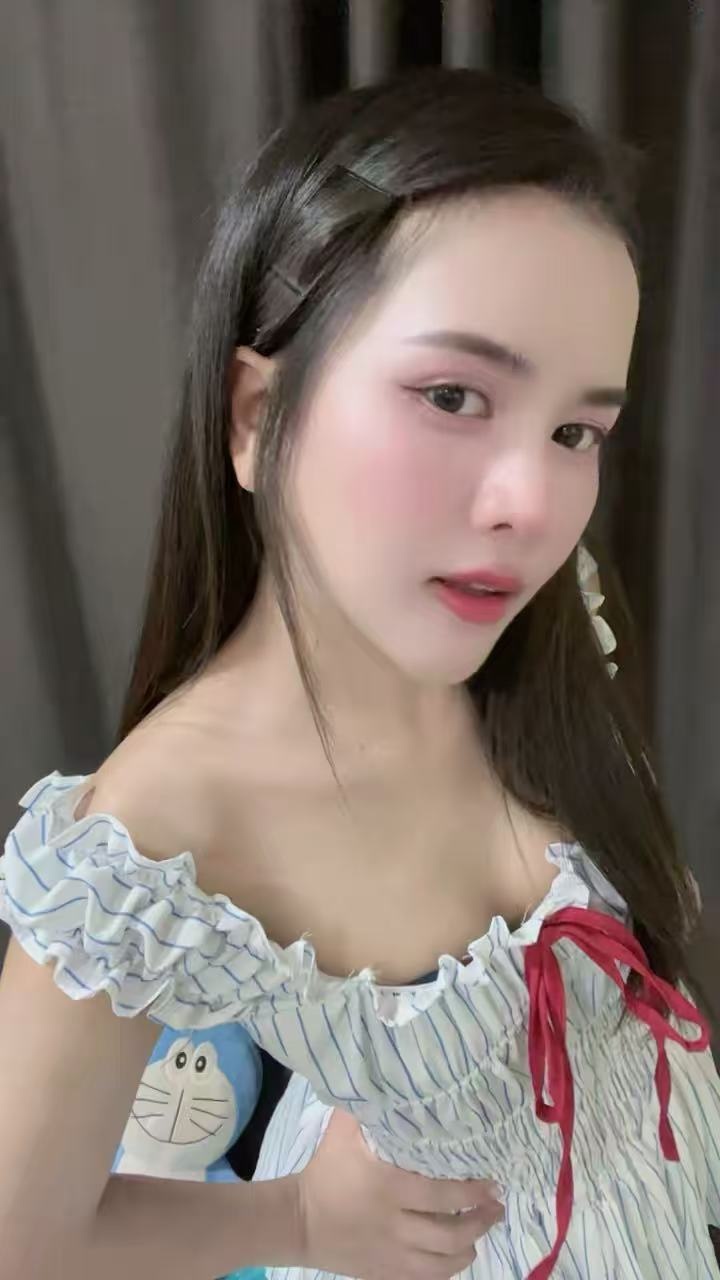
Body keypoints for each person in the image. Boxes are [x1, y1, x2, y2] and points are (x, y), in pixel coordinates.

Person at [0, 66, 717, 1280]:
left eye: (575, 431)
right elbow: (20, 1232)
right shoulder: (156, 830)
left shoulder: (551, 630)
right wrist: (293, 1222)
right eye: (453, 395)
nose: (533, 503)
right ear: (255, 413)